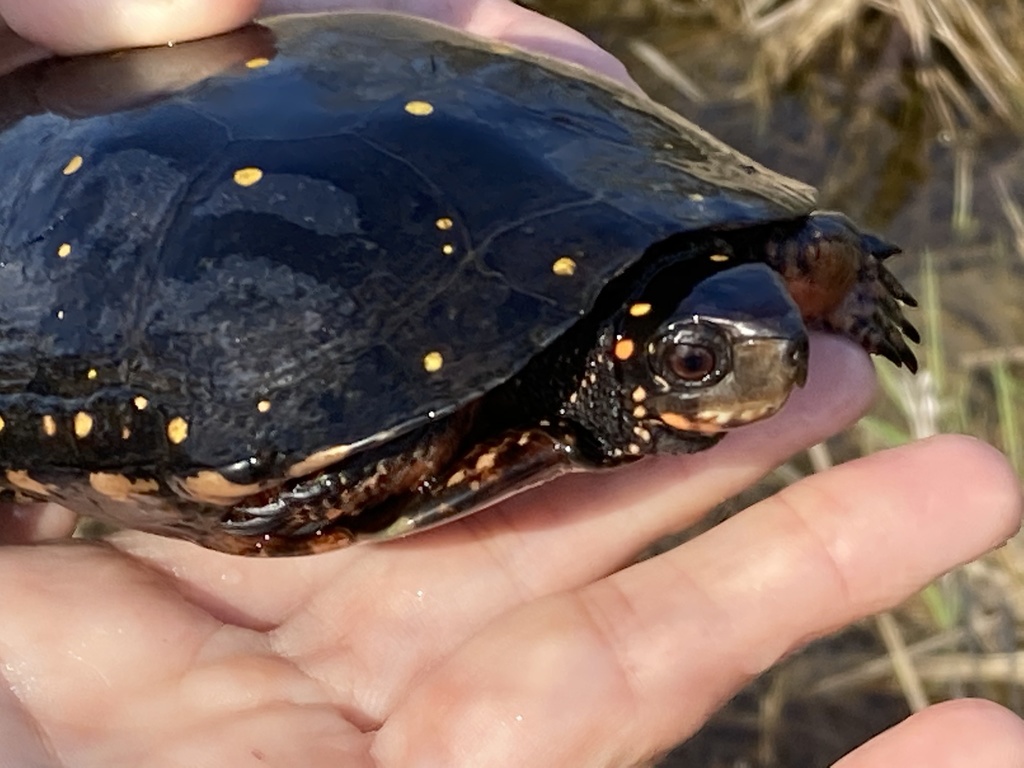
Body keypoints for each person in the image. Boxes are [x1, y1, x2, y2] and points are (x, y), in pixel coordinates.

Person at [0, 1, 1021, 765]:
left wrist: (837, 277)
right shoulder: (442, 402)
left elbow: (808, 242)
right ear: (620, 364)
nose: (773, 366)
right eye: (695, 363)